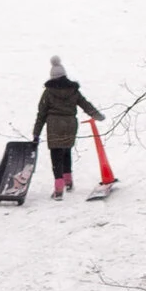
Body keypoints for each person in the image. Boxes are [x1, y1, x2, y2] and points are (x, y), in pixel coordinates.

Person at [33, 57, 99, 198]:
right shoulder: (73, 90)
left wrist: (36, 133)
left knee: (56, 154)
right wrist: (97, 115)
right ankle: (68, 181)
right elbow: (84, 103)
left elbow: (41, 114)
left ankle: (58, 188)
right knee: (66, 150)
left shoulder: (48, 92)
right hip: (70, 124)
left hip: (54, 125)